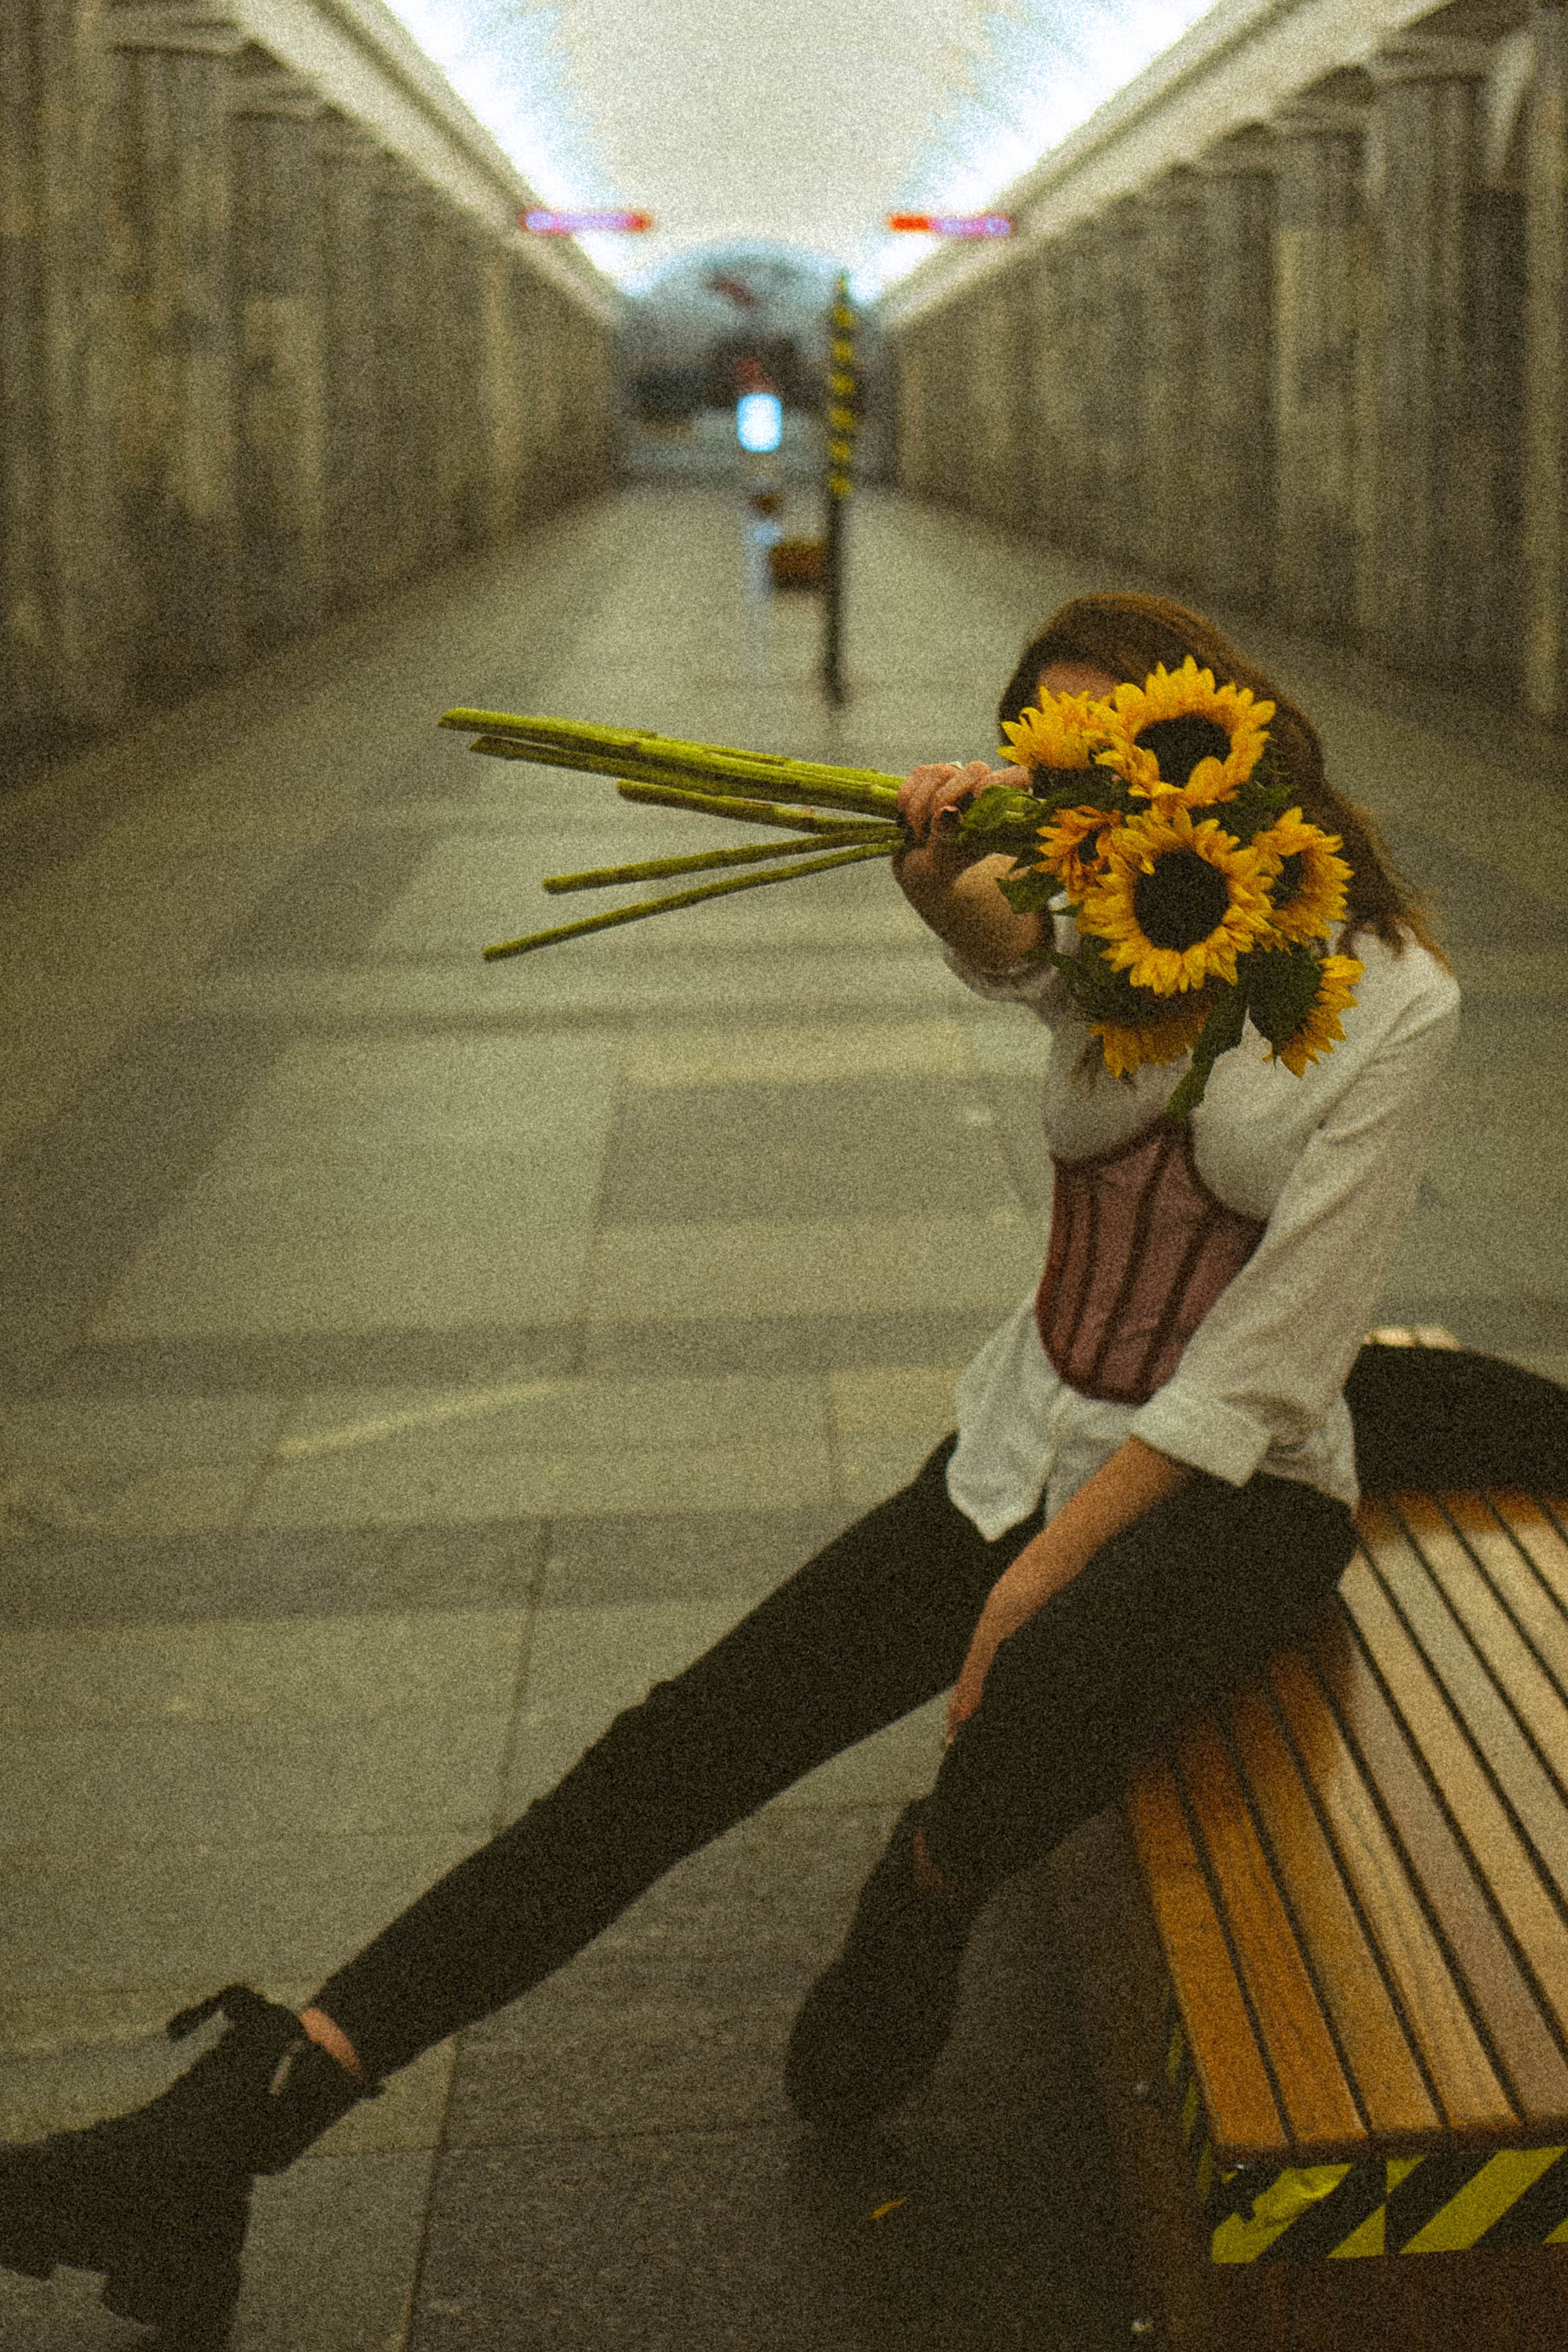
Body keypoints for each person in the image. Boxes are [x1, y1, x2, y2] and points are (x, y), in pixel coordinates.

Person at [0, 593, 1463, 2348]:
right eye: (1052, 762)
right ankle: (251, 2115)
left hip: (1235, 1505)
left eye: (1114, 751)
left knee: (1038, 1687)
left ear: (1216, 734)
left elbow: (1273, 1361)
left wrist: (1039, 1568)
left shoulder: (1398, 1002)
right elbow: (1014, 948)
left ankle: (925, 1894)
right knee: (681, 1744)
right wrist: (933, 869)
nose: (1082, 792)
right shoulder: (1124, 911)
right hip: (1023, 1437)